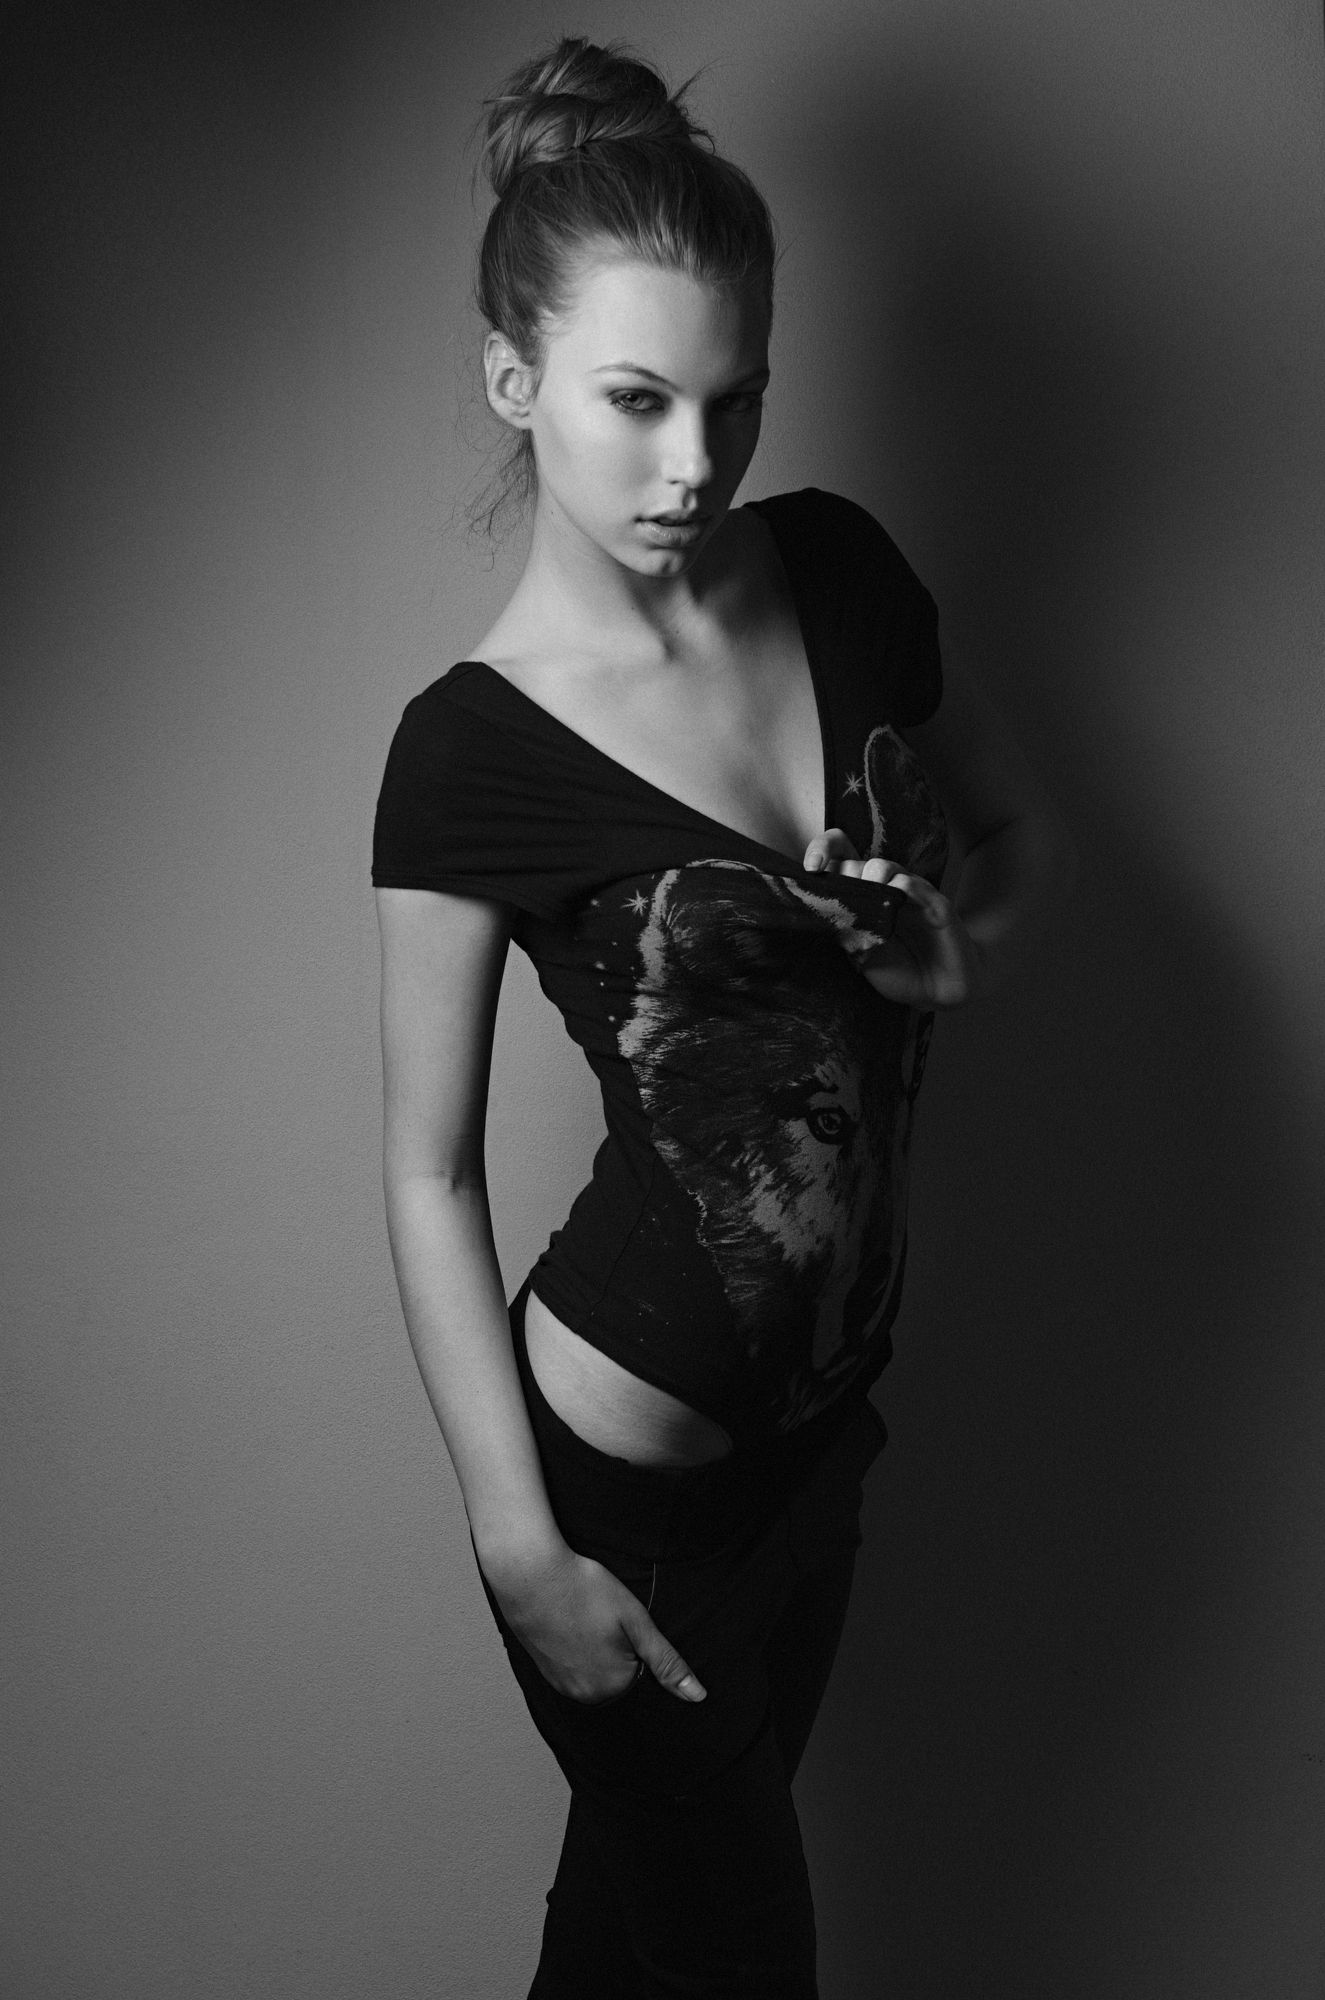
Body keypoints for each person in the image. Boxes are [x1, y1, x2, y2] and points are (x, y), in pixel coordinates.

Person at [372, 36, 1069, 1999]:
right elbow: (426, 1174)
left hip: (828, 1434)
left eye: (736, 397)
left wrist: (945, 952)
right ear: (514, 382)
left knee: (623, 1955)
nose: (694, 464)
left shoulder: (839, 572)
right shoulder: (470, 755)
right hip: (627, 1497)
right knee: (743, 1966)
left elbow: (1007, 841)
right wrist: (520, 1551)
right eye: (636, 400)